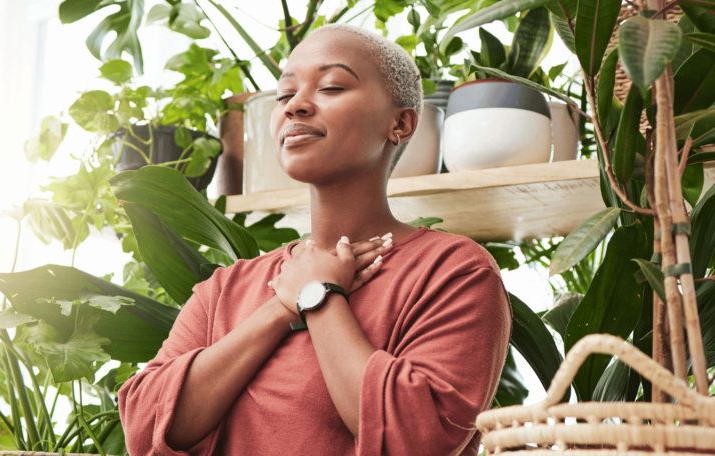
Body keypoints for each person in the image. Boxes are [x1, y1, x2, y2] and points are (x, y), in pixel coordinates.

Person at [118, 23, 512, 456]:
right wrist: (280, 307)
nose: (295, 107)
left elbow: (417, 441)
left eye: (332, 86)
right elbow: (146, 426)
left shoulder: (453, 272)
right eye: (284, 95)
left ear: (400, 123)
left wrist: (319, 297)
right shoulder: (225, 289)